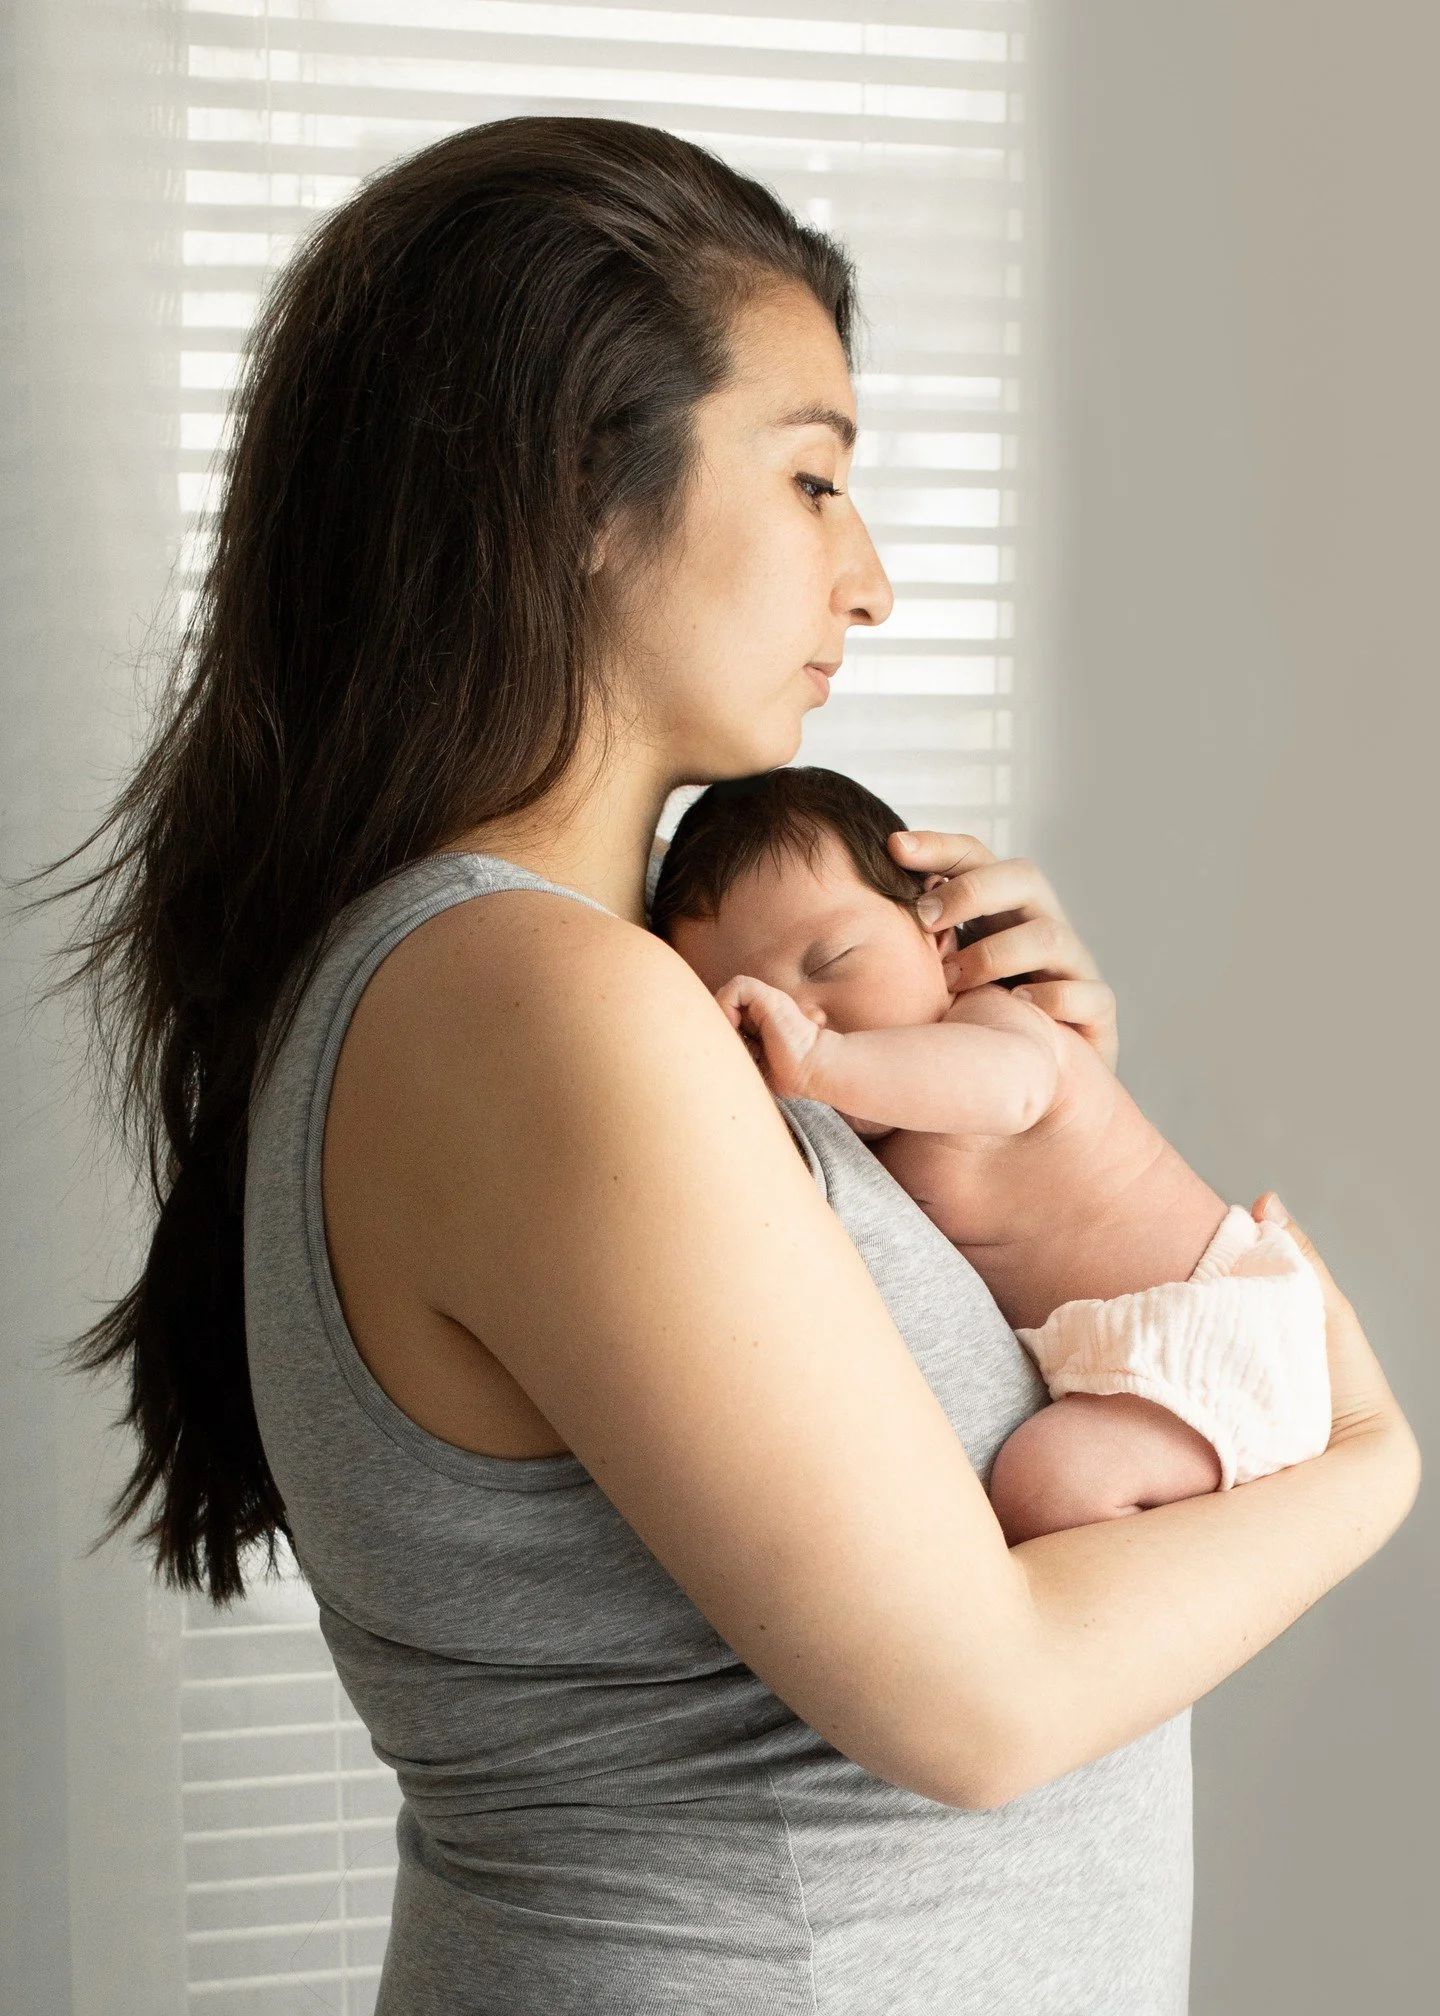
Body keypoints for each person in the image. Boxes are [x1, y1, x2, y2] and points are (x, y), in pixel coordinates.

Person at [45, 117, 1418, 2013]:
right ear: (573, 490)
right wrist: (1362, 1461)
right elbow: (983, 1703)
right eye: (814, 478)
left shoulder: (543, 997)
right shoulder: (531, 1001)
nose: (866, 580)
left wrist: (1021, 1146)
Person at [649, 766, 1332, 1546]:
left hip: (1206, 1330)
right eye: (751, 1017)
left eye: (832, 961)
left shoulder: (993, 1029)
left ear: (937, 937)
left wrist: (821, 1063)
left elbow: (1009, 1090)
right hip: (1113, 1371)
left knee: (1047, 1483)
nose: (797, 1019)